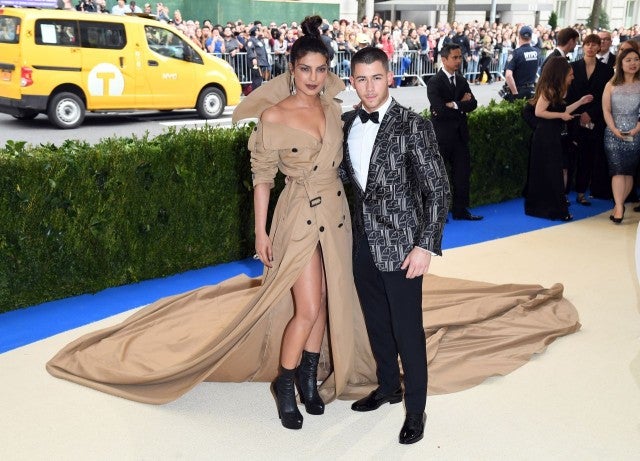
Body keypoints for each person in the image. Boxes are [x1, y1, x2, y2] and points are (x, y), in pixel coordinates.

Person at [342, 46, 450, 445]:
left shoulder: (413, 125)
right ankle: (388, 386)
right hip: (362, 245)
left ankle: (417, 412)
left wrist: (425, 245)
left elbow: (438, 189)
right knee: (377, 322)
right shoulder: (346, 123)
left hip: (404, 246)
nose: (369, 87)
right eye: (361, 79)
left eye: (376, 77)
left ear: (389, 77)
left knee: (408, 331)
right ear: (352, 81)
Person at [524, 57, 593, 221]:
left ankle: (553, 208)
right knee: (551, 172)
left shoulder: (558, 89)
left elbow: (564, 109)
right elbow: (539, 112)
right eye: (570, 74)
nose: (573, 77)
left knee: (554, 171)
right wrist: (561, 116)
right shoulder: (549, 89)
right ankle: (554, 210)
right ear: (561, 74)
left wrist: (580, 102)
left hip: (552, 135)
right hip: (545, 137)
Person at [427, 43, 483, 221]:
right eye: (455, 57)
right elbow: (439, 110)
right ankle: (439, 214)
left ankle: (461, 210)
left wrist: (454, 104)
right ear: (444, 60)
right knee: (440, 177)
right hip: (442, 137)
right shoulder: (434, 82)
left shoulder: (462, 80)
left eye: (460, 57)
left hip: (460, 136)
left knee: (462, 175)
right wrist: (461, 104)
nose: (459, 60)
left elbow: (473, 104)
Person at [566, 34, 614, 204]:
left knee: (587, 158)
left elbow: (605, 97)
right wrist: (578, 114)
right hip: (573, 118)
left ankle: (581, 193)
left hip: (596, 120)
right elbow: (569, 94)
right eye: (588, 44)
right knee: (569, 158)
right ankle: (563, 193)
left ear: (599, 47)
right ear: (583, 46)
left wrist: (591, 114)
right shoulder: (572, 67)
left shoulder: (607, 70)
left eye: (595, 45)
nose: (591, 47)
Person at [602, 47, 640, 223]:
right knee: (617, 170)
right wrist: (614, 129)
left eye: (636, 59)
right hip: (613, 133)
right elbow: (606, 110)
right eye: (628, 60)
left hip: (635, 133)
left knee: (628, 172)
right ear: (621, 63)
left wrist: (636, 128)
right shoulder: (611, 85)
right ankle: (618, 207)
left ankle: (620, 203)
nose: (633, 63)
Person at [504, 25, 539, 101]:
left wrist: (515, 93)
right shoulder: (536, 52)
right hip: (532, 90)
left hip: (518, 90)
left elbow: (508, 75)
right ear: (531, 37)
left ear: (519, 36)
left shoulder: (516, 53)